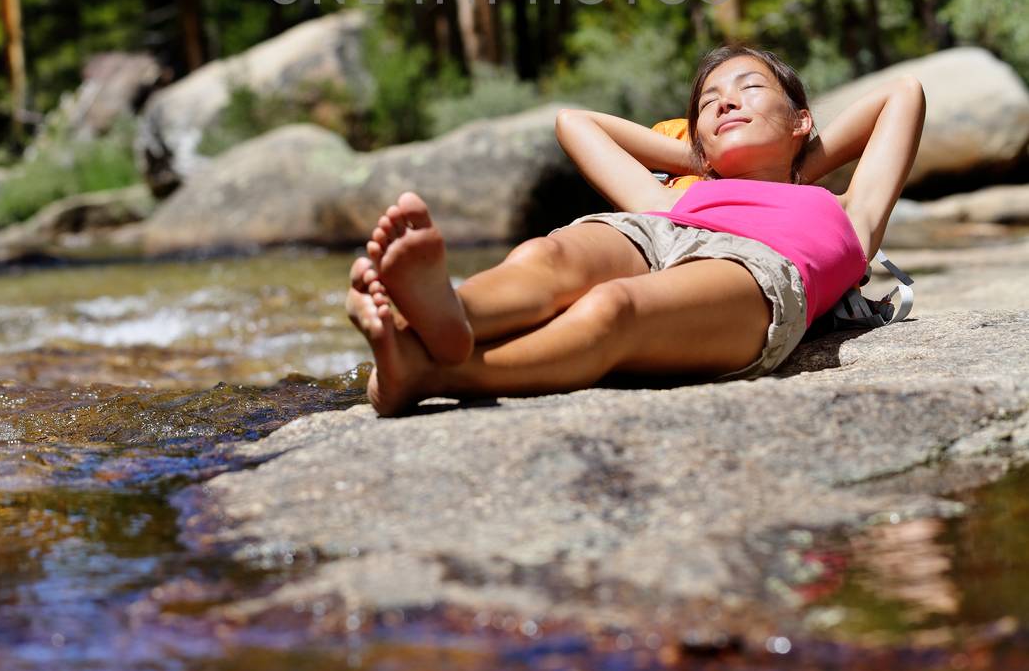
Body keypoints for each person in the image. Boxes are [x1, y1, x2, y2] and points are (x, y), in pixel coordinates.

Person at [344, 42, 926, 416]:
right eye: (708, 104)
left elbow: (903, 93)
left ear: (802, 118)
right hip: (660, 229)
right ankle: (443, 311)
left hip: (755, 268)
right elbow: (575, 122)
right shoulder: (665, 193)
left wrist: (794, 165)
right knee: (548, 256)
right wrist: (703, 160)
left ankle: (427, 368)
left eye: (749, 89)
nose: (725, 104)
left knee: (611, 309)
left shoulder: (850, 211)